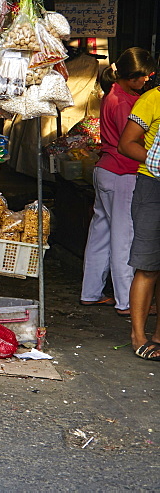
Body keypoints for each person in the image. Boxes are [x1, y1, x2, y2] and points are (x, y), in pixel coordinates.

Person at [81, 48, 157, 315]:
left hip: (105, 170)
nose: (146, 81)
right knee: (124, 238)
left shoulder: (113, 93)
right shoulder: (127, 102)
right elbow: (131, 143)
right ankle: (127, 302)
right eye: (144, 77)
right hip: (123, 173)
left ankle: (90, 293)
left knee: (101, 234)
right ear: (133, 77)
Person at [117, 59, 160, 361]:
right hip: (152, 187)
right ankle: (139, 335)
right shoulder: (152, 99)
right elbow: (126, 144)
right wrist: (155, 160)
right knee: (147, 265)